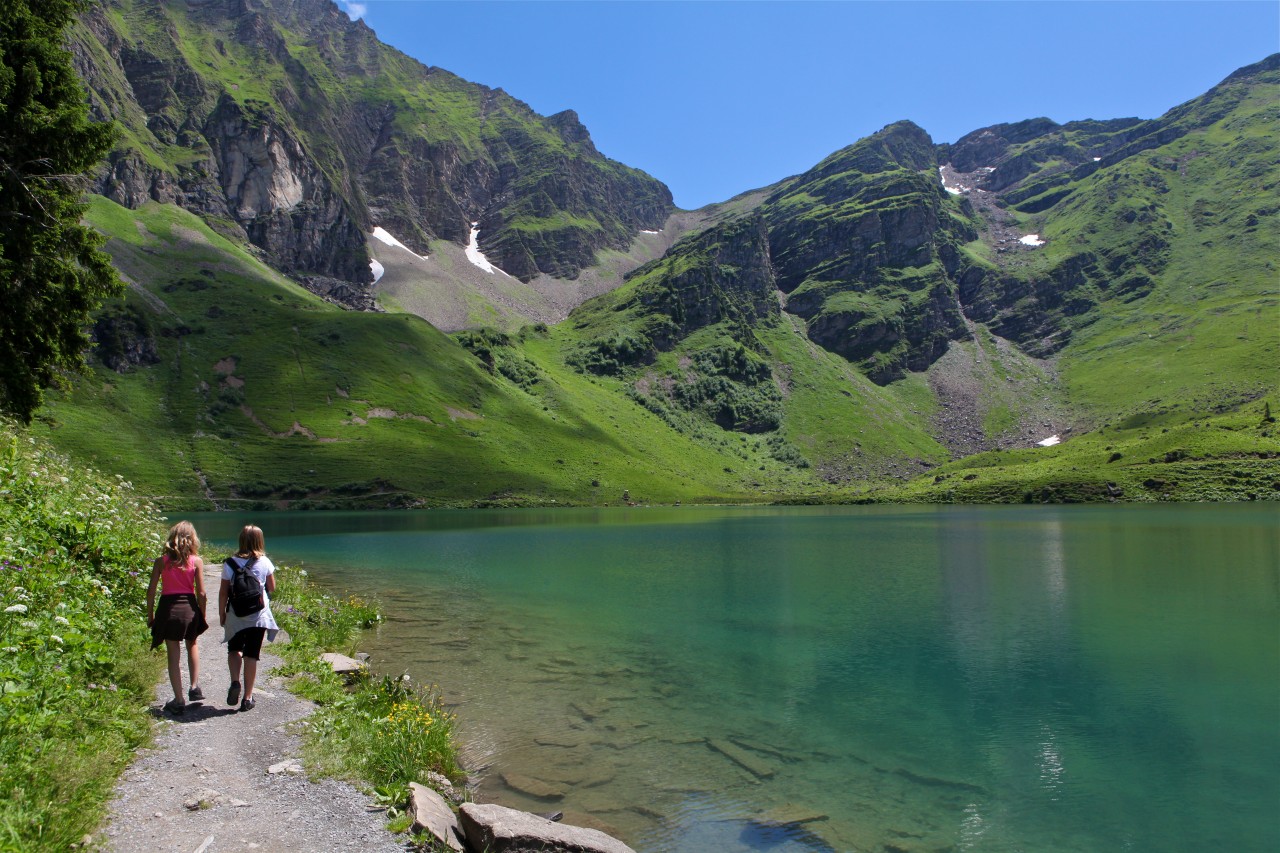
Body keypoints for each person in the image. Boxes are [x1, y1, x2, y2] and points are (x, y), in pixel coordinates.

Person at [146, 520, 209, 716]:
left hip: (168, 609)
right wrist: (202, 614)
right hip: (189, 608)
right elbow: (202, 594)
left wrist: (151, 615)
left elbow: (151, 591)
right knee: (193, 644)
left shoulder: (161, 561)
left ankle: (179, 700)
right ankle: (194, 686)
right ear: (192, 539)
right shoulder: (196, 561)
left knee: (173, 655)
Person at [219, 524, 279, 712]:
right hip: (258, 616)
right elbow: (272, 588)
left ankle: (235, 681)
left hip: (236, 615)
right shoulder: (265, 562)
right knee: (251, 654)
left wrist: (222, 613)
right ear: (259, 541)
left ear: (241, 540)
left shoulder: (230, 563)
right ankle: (247, 698)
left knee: (234, 649)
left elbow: (223, 592)